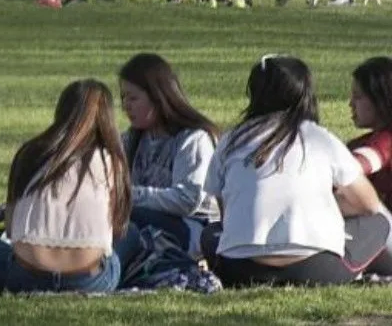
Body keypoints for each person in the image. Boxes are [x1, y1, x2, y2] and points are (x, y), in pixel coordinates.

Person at [202, 55, 388, 287]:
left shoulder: (231, 140)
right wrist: (325, 207)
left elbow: (226, 214)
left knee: (210, 233)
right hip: (316, 269)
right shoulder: (319, 138)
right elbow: (368, 204)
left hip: (240, 269)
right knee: (379, 221)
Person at [0, 79, 130, 294]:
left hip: (25, 278)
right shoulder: (110, 161)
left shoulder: (30, 153)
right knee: (132, 235)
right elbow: (115, 227)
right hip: (89, 281)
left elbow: (10, 228)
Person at [118, 53, 219, 256]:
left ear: (158, 97)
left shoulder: (193, 139)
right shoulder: (132, 139)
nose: (126, 106)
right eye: (123, 97)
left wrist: (128, 196)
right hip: (144, 221)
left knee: (127, 219)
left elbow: (186, 200)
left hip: (191, 228)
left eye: (133, 98)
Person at [347, 56, 392, 274]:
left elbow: (356, 166)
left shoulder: (385, 142)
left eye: (358, 96)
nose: (350, 103)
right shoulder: (361, 142)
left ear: (381, 99)